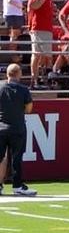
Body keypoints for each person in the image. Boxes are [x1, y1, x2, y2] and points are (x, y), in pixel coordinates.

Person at [0, 63, 36, 196]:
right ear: (18, 74)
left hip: (1, 128)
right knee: (16, 158)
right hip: (17, 128)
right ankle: (17, 186)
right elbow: (29, 109)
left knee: (1, 158)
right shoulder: (23, 90)